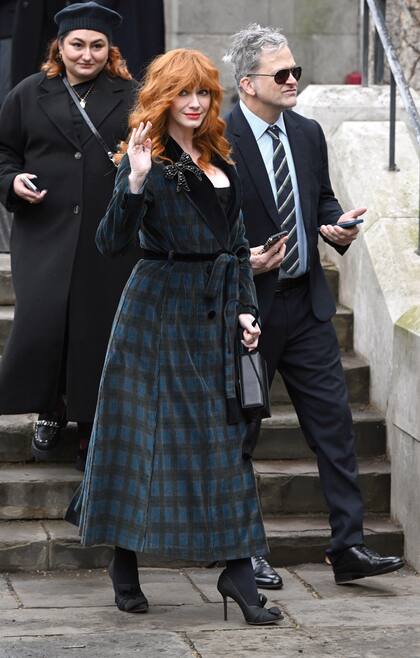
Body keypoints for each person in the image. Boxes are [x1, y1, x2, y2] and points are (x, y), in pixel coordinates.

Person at [76, 47, 281, 626]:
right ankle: (124, 561)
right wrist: (135, 181)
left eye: (204, 94)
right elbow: (110, 242)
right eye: (184, 94)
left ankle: (238, 572)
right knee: (138, 438)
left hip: (215, 312)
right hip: (155, 310)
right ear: (163, 99)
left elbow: (236, 244)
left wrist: (245, 310)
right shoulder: (145, 160)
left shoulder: (220, 156)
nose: (195, 103)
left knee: (224, 443)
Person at [223, 24, 405, 587]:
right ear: (249, 83)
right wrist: (240, 262)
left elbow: (318, 195)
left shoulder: (306, 132)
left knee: (335, 427)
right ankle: (245, 551)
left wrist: (336, 228)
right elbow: (205, 225)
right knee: (242, 431)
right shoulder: (219, 138)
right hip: (249, 310)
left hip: (307, 305)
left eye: (297, 70)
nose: (294, 80)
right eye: (282, 74)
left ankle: (348, 547)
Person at [0, 2, 140, 468]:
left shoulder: (130, 94)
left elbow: (152, 152)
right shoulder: (28, 92)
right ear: (59, 46)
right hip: (43, 231)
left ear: (109, 48)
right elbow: (4, 152)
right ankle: (50, 408)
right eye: (77, 44)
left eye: (97, 45)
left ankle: (89, 422)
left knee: (94, 326)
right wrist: (11, 181)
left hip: (107, 232)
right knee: (42, 321)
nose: (87, 54)